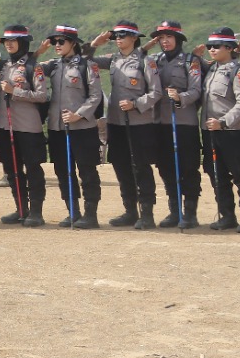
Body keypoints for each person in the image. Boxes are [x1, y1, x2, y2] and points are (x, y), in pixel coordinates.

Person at [87, 21, 162, 229]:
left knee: (141, 167)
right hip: (116, 122)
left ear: (134, 38)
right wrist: (94, 44)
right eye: (116, 36)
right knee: (121, 165)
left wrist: (136, 104)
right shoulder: (112, 60)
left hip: (139, 122)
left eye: (123, 35)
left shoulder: (146, 62)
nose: (118, 39)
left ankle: (147, 213)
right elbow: (85, 59)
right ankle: (130, 210)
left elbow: (156, 93)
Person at [38, 25, 103, 229]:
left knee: (87, 171)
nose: (56, 45)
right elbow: (28, 67)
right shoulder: (53, 66)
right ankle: (73, 211)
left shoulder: (87, 66)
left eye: (61, 41)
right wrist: (39, 51)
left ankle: (90, 215)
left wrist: (79, 115)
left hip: (82, 128)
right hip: (58, 129)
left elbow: (96, 95)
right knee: (63, 171)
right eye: (54, 42)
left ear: (73, 44)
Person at [0, 25, 49, 226]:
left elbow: (42, 95)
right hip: (5, 126)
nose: (9, 44)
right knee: (12, 170)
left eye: (13, 40)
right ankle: (21, 209)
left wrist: (15, 92)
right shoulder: (1, 66)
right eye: (6, 41)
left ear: (23, 43)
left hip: (28, 128)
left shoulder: (33, 67)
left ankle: (36, 212)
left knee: (33, 169)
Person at [200, 28, 240, 233]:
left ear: (230, 48)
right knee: (217, 174)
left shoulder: (239, 72)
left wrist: (223, 122)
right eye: (210, 46)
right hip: (210, 132)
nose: (212, 50)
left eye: (217, 46)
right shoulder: (211, 70)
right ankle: (227, 216)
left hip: (233, 131)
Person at [149, 20, 204, 229]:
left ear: (178, 39)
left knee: (188, 167)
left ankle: (190, 213)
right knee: (165, 167)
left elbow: (196, 90)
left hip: (184, 122)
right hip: (161, 122)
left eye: (169, 37)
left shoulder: (191, 61)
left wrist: (180, 97)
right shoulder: (154, 61)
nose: (165, 41)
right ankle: (174, 211)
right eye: (161, 38)